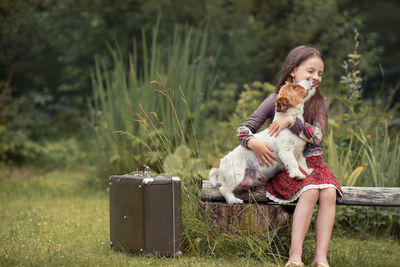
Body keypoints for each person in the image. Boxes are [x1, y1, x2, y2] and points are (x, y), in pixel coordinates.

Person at [236, 45, 343, 267]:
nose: (316, 77)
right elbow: (244, 129)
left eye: (320, 73)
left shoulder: (319, 102)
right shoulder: (278, 97)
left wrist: (293, 121)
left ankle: (320, 257)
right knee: (310, 190)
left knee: (330, 192)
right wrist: (254, 143)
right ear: (293, 71)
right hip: (285, 165)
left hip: (313, 164)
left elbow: (318, 136)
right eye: (310, 71)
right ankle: (295, 257)